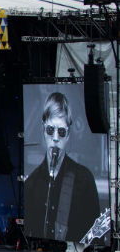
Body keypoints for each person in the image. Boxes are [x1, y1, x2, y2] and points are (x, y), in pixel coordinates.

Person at [24, 92, 101, 241]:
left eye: (61, 132)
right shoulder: (31, 183)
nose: (55, 138)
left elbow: (94, 238)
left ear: (69, 133)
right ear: (43, 129)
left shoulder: (85, 179)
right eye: (50, 130)